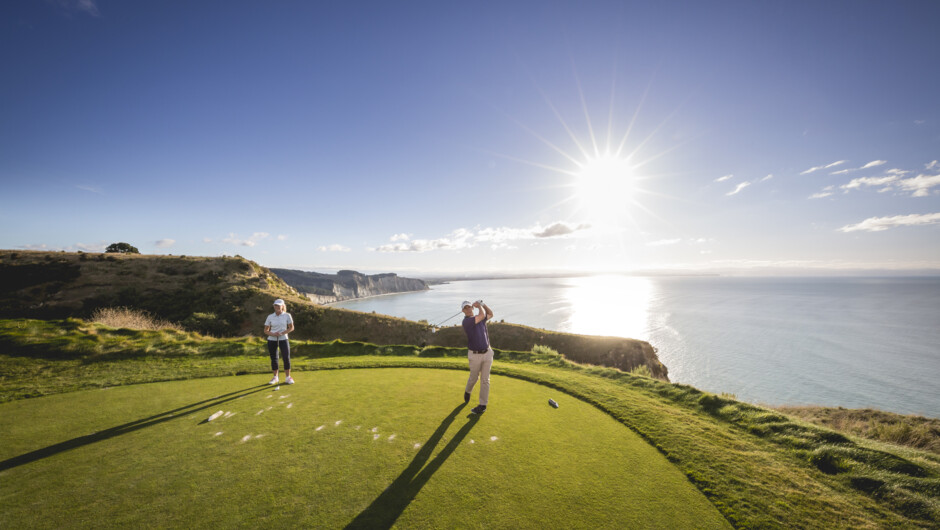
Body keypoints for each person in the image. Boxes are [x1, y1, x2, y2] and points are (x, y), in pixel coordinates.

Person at [461, 299, 494, 414]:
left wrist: (483, 304)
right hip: (474, 355)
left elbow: (490, 314)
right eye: (465, 308)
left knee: (485, 380)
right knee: (474, 378)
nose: (468, 309)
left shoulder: (480, 318)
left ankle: (482, 405)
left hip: (487, 353)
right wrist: (480, 306)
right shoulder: (466, 322)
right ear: (463, 311)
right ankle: (467, 391)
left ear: (472, 308)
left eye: (469, 306)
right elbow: (482, 315)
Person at [264, 298, 295, 385]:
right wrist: (273, 334)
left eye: (278, 305)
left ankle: (288, 377)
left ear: (282, 306)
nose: (276, 307)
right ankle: (275, 377)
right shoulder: (270, 316)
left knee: (286, 357)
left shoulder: (287, 315)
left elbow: (291, 328)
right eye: (275, 305)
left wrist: (282, 333)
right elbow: (266, 330)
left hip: (283, 338)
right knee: (274, 359)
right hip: (272, 340)